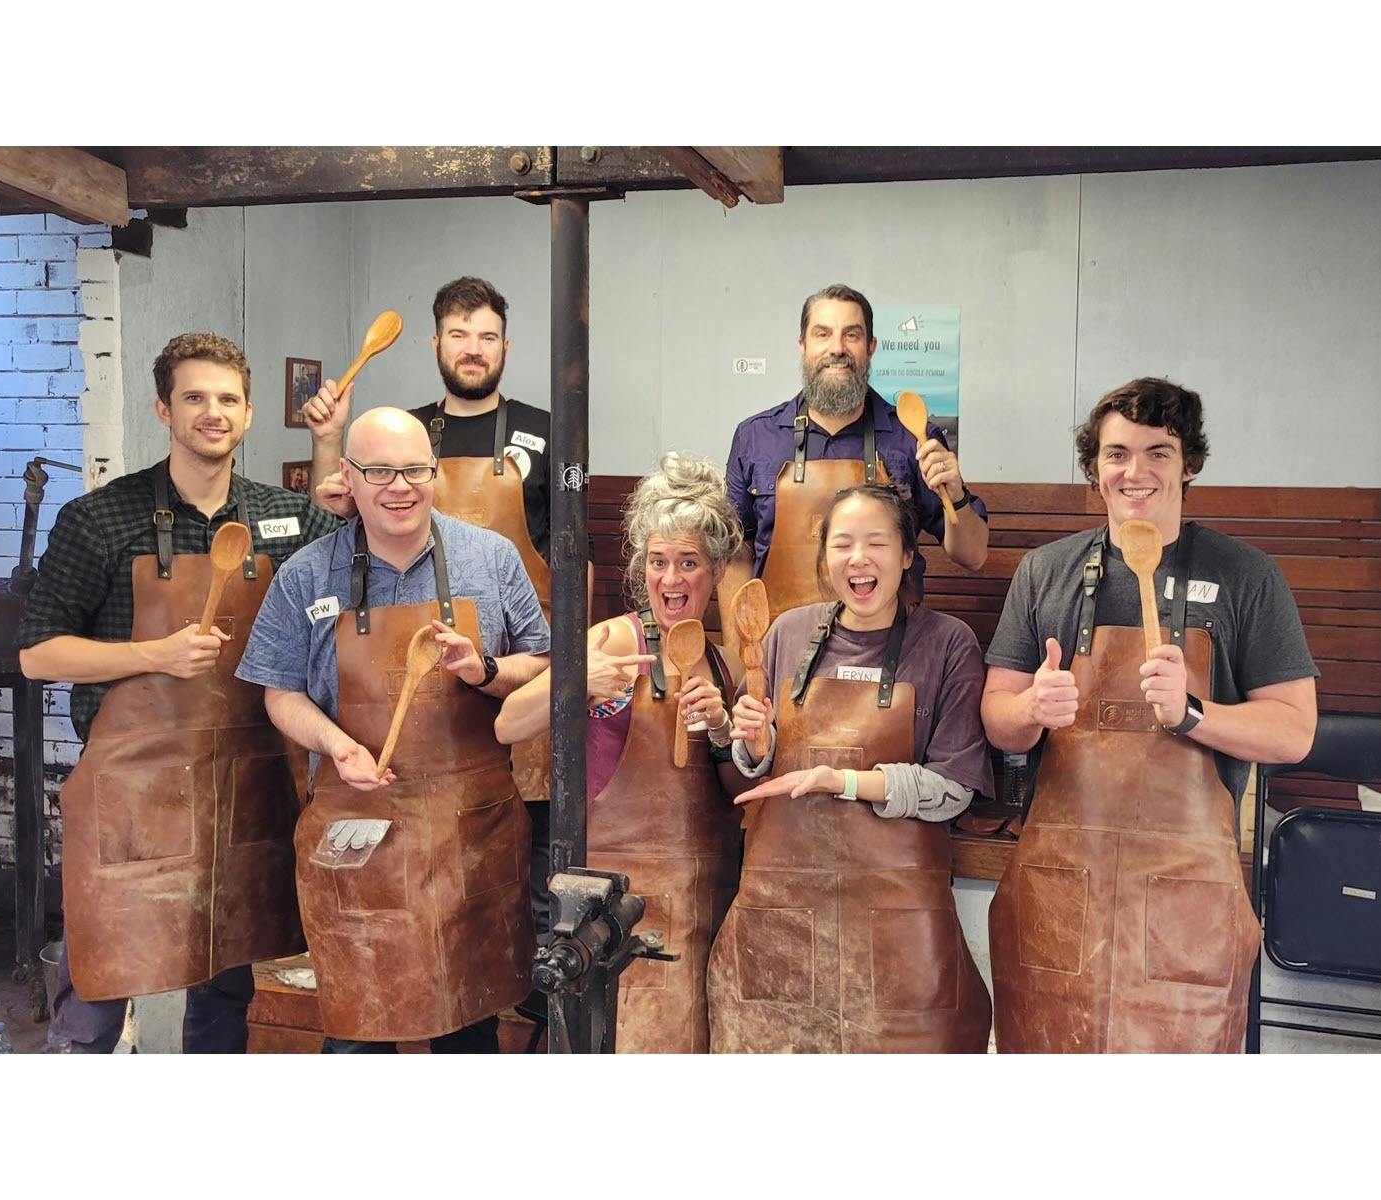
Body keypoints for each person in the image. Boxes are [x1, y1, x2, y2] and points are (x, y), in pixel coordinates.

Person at [18, 332, 342, 1053]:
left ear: (250, 413)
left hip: (242, 789)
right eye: (195, 397)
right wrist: (153, 655)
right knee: (99, 983)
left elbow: (345, 537)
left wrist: (332, 445)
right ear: (165, 410)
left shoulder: (277, 519)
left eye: (227, 399)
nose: (212, 412)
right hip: (132, 796)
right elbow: (38, 654)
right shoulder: (98, 519)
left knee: (226, 987)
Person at [980, 377, 1318, 1052]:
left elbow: (1293, 729)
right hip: (1058, 899)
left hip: (1186, 905)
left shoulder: (1246, 576)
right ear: (1094, 467)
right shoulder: (1044, 573)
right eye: (1117, 454)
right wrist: (1031, 709)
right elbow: (997, 718)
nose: (1136, 472)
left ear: (1189, 463)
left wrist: (1196, 714)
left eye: (1158, 452)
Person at [236, 406, 550, 1052]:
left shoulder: (490, 558)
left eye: (412, 469)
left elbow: (543, 665)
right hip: (360, 829)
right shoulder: (307, 574)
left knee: (471, 1024)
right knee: (360, 1023)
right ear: (347, 478)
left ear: (433, 472)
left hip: (470, 836)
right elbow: (279, 691)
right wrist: (337, 743)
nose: (399, 486)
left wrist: (483, 667)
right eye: (379, 471)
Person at [303, 277, 556, 947]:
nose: (473, 350)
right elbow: (334, 510)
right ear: (435, 343)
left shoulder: (547, 430)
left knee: (508, 855)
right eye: (459, 335)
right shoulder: (404, 434)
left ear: (506, 346)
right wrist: (329, 445)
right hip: (408, 655)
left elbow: (569, 555)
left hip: (508, 663)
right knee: (407, 872)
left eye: (487, 337)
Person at [707, 484, 994, 1052]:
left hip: (898, 926)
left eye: (876, 542)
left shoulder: (948, 644)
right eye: (842, 544)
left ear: (909, 554)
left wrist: (841, 781)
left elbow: (955, 787)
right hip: (782, 914)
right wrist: (752, 740)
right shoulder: (784, 632)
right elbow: (753, 767)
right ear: (825, 558)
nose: (858, 559)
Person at [495, 452, 745, 1052]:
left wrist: (722, 731)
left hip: (703, 896)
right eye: (658, 563)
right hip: (613, 901)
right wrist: (573, 685)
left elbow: (739, 795)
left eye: (689, 563)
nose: (672, 580)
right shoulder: (612, 639)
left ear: (714, 571)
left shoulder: (725, 661)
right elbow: (507, 723)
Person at [725, 284, 990, 621]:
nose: (837, 348)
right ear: (803, 347)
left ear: (871, 347)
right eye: (823, 334)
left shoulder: (913, 439)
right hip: (780, 652)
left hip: (891, 653)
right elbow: (735, 556)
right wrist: (740, 654)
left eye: (851, 335)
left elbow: (974, 555)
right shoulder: (755, 437)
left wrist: (958, 495)